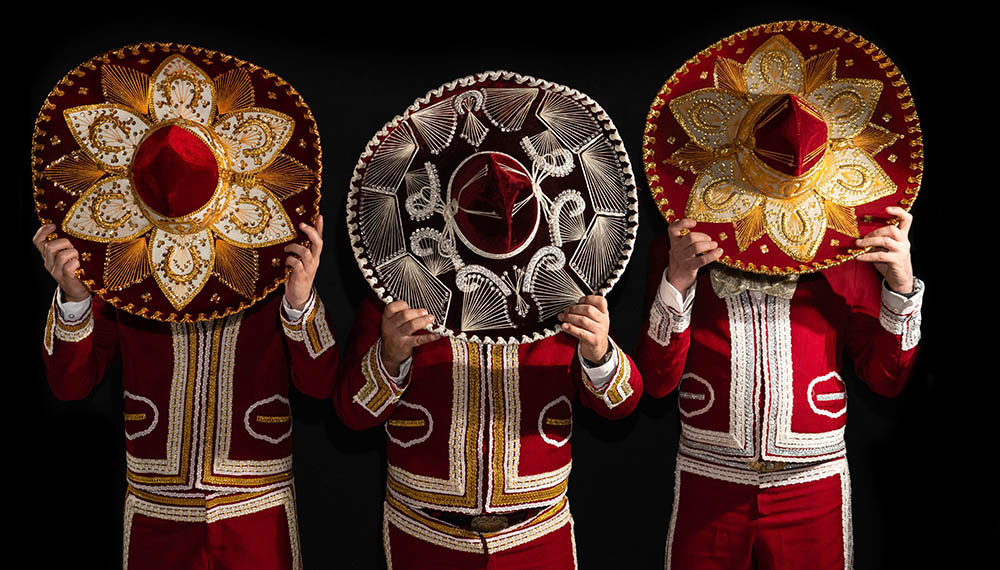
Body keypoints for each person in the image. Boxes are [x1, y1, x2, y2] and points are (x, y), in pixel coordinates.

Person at [31, 44, 336, 570]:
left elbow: (318, 384)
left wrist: (300, 301)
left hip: (255, 509)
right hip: (155, 510)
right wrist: (76, 299)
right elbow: (69, 384)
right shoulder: (113, 270)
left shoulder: (273, 259)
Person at [636, 22, 926, 569]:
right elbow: (656, 381)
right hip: (709, 481)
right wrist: (676, 283)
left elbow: (887, 380)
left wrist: (902, 286)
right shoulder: (685, 245)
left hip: (812, 489)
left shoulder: (850, 250)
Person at [338, 70, 643, 569]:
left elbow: (623, 407)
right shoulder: (400, 291)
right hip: (424, 536)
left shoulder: (566, 294)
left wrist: (601, 354)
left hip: (537, 537)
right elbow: (351, 415)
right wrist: (388, 358)